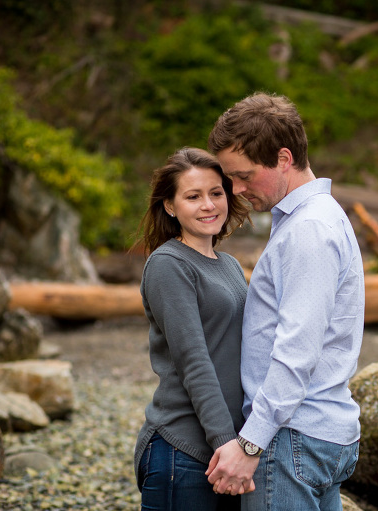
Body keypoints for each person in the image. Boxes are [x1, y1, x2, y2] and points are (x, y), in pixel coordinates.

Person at [205, 92, 364, 511]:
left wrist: (250, 442)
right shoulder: (318, 218)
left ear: (284, 158)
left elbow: (298, 350)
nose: (236, 190)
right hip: (315, 435)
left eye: (244, 176)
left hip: (292, 440)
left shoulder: (308, 230)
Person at [133, 147, 251, 511]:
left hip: (230, 450)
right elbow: (193, 360)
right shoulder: (168, 264)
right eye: (193, 196)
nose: (208, 205)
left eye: (216, 193)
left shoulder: (229, 265)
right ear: (170, 206)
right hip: (182, 451)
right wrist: (224, 440)